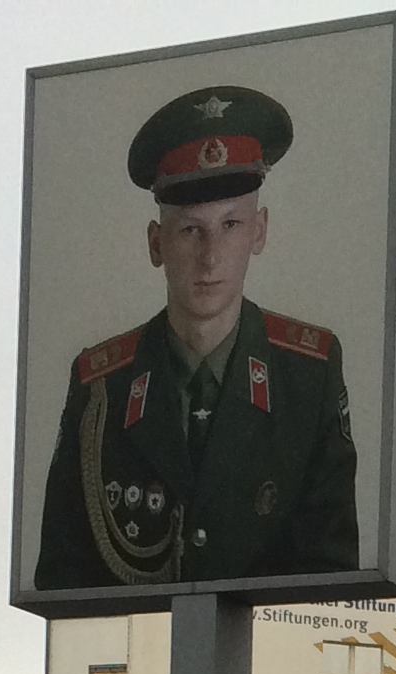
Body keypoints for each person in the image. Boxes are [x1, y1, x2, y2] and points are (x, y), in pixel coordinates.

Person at [31, 85, 358, 592]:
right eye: (190, 230)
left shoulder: (308, 376)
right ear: (155, 243)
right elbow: (63, 582)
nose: (210, 257)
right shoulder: (100, 388)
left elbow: (331, 581)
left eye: (231, 225)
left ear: (260, 232)